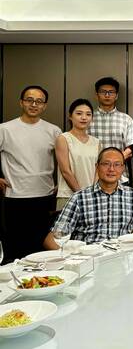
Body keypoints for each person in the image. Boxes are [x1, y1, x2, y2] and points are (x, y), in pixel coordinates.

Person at [0, 85, 62, 263]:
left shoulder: (53, 130)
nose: (34, 104)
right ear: (21, 102)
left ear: (44, 106)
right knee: (16, 247)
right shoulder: (5, 129)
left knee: (41, 248)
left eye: (39, 101)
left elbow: (63, 161)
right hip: (15, 197)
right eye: (29, 100)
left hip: (45, 195)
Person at [45, 147, 133, 246]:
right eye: (106, 164)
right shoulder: (79, 198)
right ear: (97, 166)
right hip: (88, 258)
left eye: (117, 164)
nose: (111, 169)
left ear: (123, 168)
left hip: (121, 256)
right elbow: (51, 239)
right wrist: (71, 256)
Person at [56, 99, 101, 209]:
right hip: (68, 196)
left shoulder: (96, 142)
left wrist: (92, 192)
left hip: (92, 197)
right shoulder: (63, 138)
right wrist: (82, 195)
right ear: (70, 116)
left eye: (88, 114)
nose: (84, 117)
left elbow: (98, 170)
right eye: (79, 113)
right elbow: (65, 171)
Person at [88, 77, 133, 184]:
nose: (107, 95)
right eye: (103, 92)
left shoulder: (126, 119)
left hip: (120, 175)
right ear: (97, 94)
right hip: (91, 175)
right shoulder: (88, 118)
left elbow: (130, 148)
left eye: (111, 92)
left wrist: (113, 162)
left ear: (116, 95)